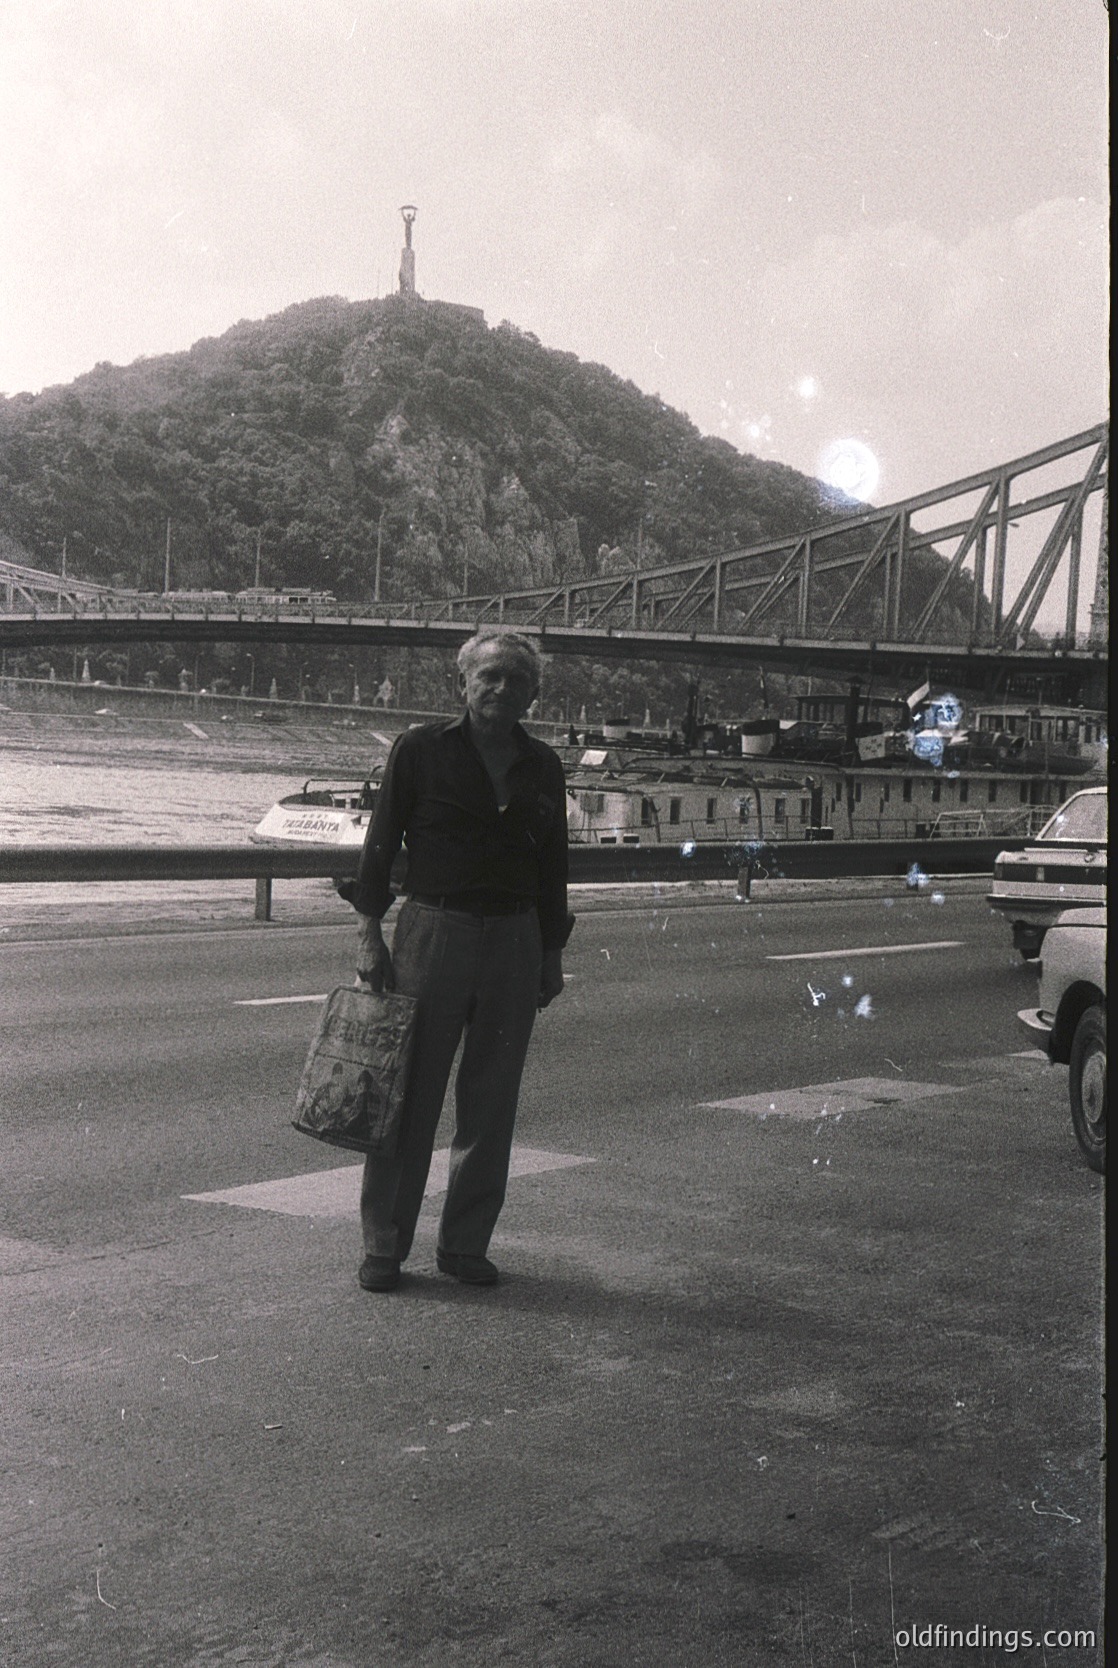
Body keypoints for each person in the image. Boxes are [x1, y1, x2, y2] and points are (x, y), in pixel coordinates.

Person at [339, 629, 570, 1293]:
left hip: (516, 937)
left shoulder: (543, 766)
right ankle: (384, 1247)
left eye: (517, 681)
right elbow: (379, 847)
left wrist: (551, 952)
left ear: (534, 695)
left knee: (492, 1102)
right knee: (408, 1096)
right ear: (463, 684)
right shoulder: (419, 751)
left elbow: (553, 866)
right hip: (432, 930)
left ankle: (465, 1246)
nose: (502, 689)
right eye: (490, 676)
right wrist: (368, 933)